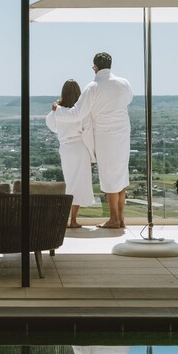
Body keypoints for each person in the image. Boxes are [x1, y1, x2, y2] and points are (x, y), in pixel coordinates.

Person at [52, 52, 132, 229]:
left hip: (105, 134)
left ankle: (113, 219)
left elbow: (77, 113)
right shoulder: (124, 83)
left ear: (95, 67)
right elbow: (128, 100)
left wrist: (58, 109)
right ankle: (121, 219)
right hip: (123, 132)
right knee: (120, 172)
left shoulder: (92, 87)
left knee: (109, 175)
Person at [46, 79, 97, 228]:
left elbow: (52, 125)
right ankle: (73, 219)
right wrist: (92, 156)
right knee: (79, 184)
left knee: (69, 183)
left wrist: (56, 106)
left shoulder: (58, 111)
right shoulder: (82, 111)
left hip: (66, 149)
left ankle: (65, 218)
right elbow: (88, 134)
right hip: (80, 148)